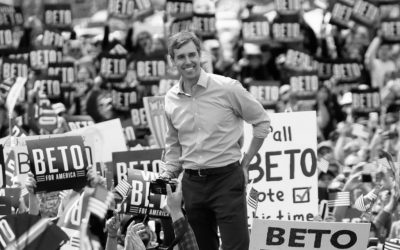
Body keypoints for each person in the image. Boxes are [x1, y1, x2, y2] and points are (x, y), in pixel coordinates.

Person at [162, 31, 270, 250]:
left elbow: (262, 122)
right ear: (172, 61)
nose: (188, 61)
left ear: (200, 55)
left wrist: (246, 161)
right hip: (192, 184)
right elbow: (174, 145)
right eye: (181, 57)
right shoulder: (170, 98)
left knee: (236, 247)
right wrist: (167, 173)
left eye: (192, 54)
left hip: (227, 179)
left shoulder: (227, 88)